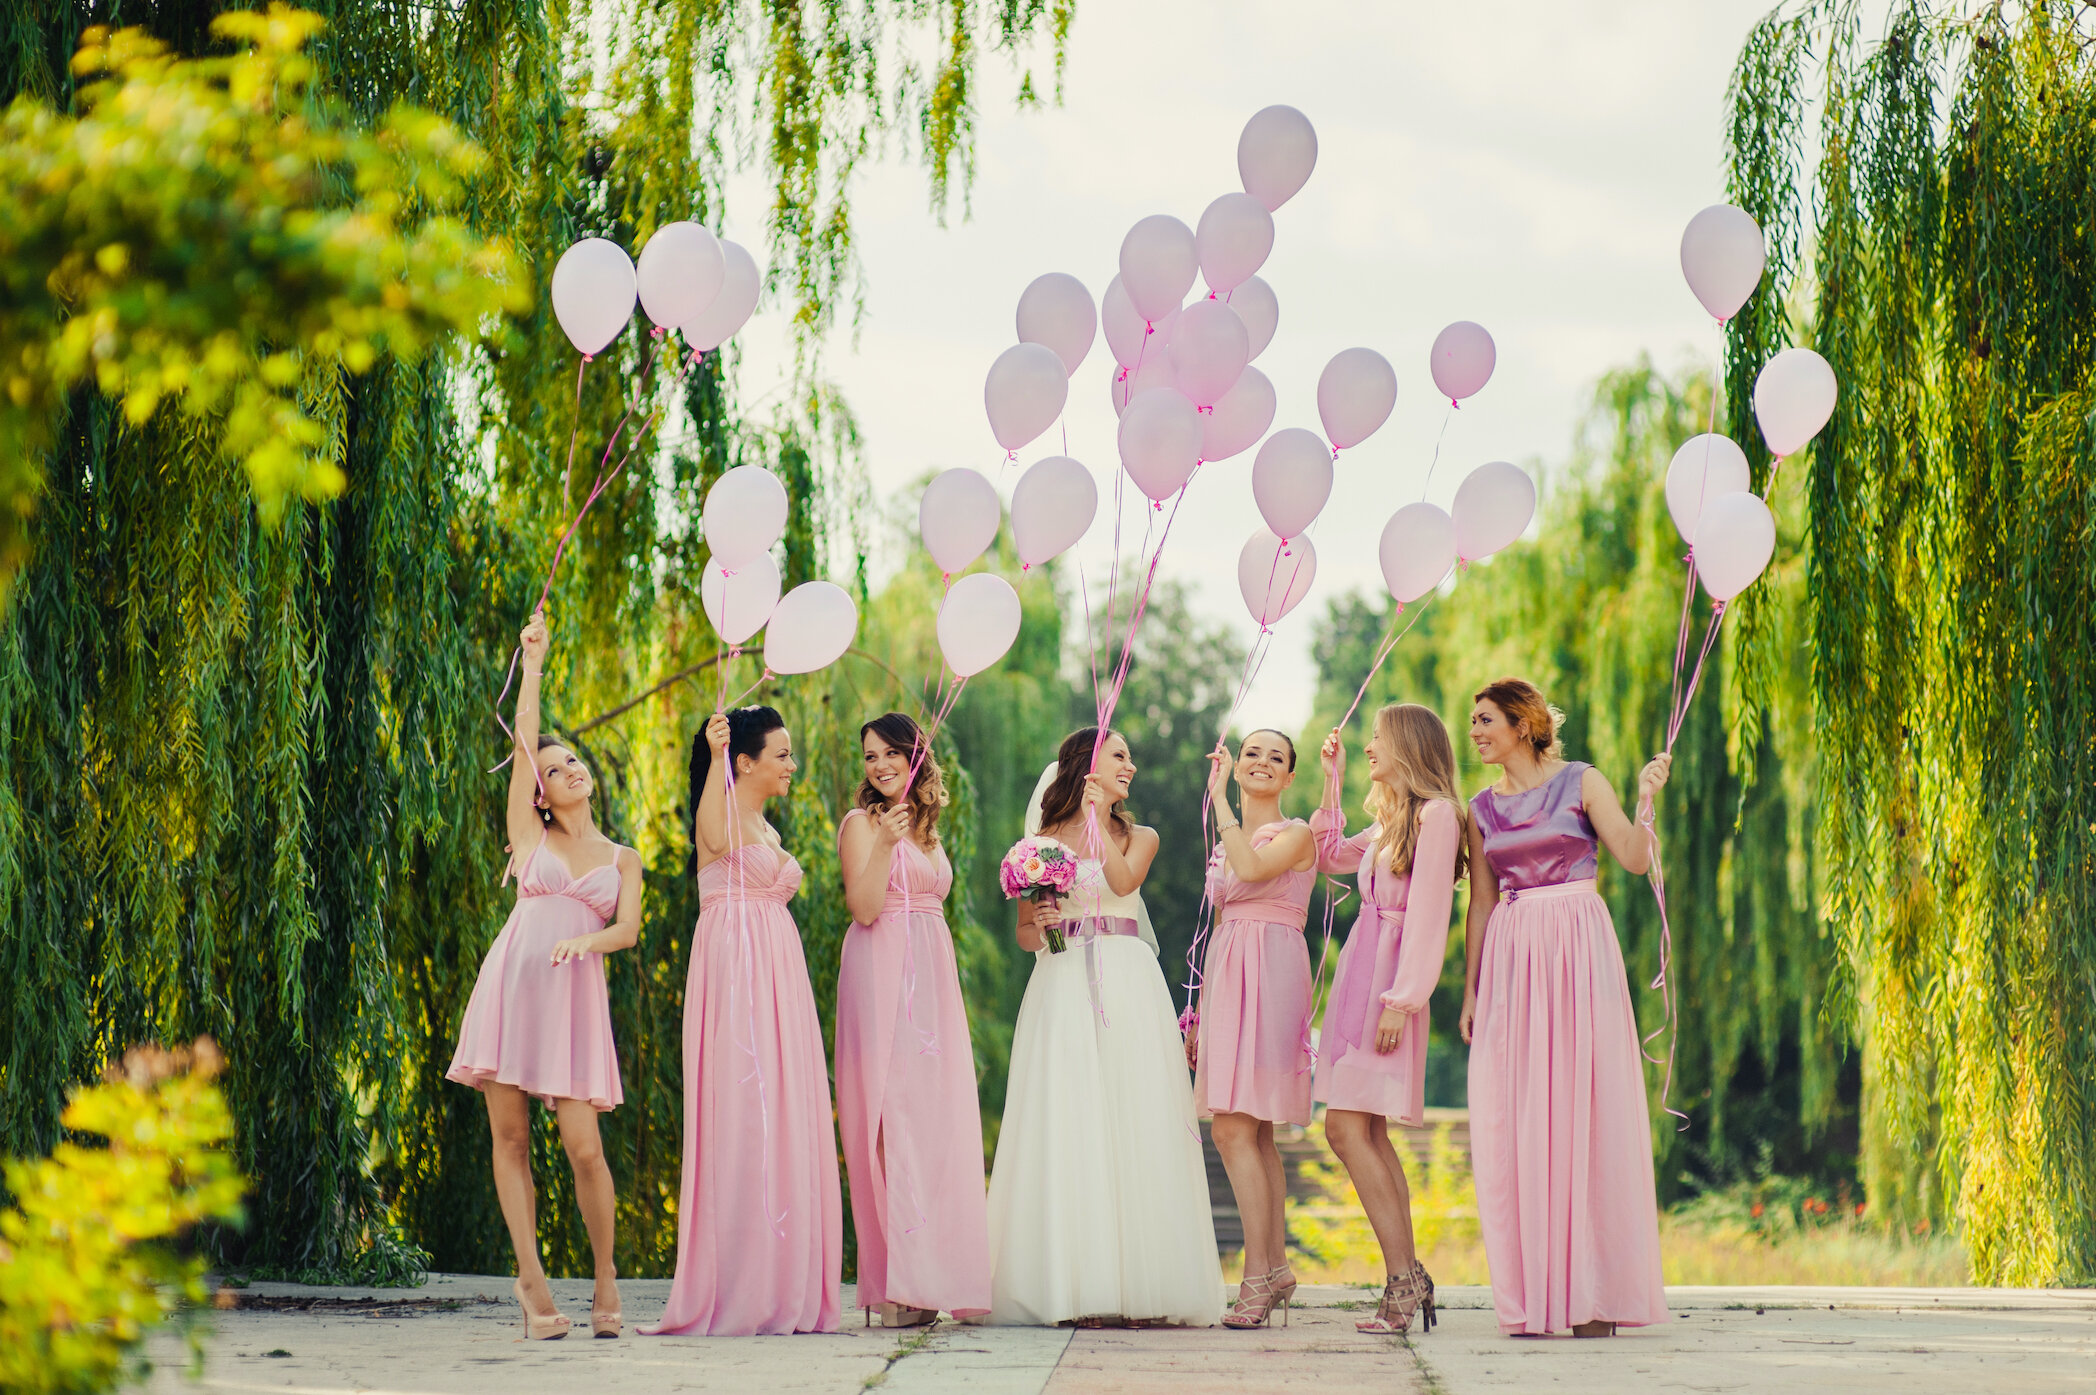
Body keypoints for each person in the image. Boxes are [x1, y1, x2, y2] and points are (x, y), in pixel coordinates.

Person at [986, 728, 1222, 1327]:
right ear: (1088, 765)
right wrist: (1040, 921)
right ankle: (1077, 1286)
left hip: (1127, 980)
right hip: (1062, 980)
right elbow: (1023, 936)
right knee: (1072, 1120)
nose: (1132, 766)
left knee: (1133, 1116)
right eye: (1120, 756)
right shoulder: (1036, 844)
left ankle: (1144, 1290)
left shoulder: (1140, 835)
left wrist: (1096, 818)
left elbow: (1121, 883)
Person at [1460, 677, 1672, 1338]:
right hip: (1514, 954)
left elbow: (1634, 860)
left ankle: (1594, 1292)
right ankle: (1538, 1291)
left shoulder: (1583, 780)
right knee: (1520, 1111)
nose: (1475, 731)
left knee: (1587, 1105)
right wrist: (1471, 989)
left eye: (1486, 718)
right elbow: (1482, 901)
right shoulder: (1479, 808)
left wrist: (1645, 799)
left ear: (1523, 723)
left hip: (1578, 941)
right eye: (1473, 721)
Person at [447, 609, 638, 1340]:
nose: (567, 769)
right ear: (539, 791)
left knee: (584, 1146)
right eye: (553, 769)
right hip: (514, 984)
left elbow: (625, 929)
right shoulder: (528, 836)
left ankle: (605, 1276)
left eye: (572, 762)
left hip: (574, 995)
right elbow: (522, 737)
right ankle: (530, 1284)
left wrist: (586, 947)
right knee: (512, 1138)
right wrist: (532, 664)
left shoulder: (623, 858)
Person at [642, 706, 841, 1337]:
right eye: (781, 754)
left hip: (778, 968)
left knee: (782, 1108)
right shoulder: (721, 816)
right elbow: (716, 836)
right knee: (744, 1103)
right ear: (745, 762)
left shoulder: (764, 823)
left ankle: (783, 1276)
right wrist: (714, 753)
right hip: (737, 966)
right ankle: (740, 1281)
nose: (792, 763)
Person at [1309, 703, 1465, 1336]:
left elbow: (1431, 915)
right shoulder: (1387, 826)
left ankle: (1403, 1279)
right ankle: (1408, 1279)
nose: (1369, 747)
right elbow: (1324, 857)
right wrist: (1330, 778)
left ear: (1408, 745)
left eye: (1377, 739)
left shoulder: (1437, 817)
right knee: (1364, 1132)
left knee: (1345, 1130)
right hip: (1360, 982)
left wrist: (1404, 1001)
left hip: (1391, 990)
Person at [834, 713, 991, 1327]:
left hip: (931, 973)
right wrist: (886, 844)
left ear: (913, 757)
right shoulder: (862, 825)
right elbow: (865, 906)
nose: (878, 766)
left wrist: (908, 838)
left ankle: (937, 1274)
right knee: (890, 1114)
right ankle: (898, 1284)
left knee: (933, 1119)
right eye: (869, 757)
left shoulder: (930, 827)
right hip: (882, 968)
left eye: (889, 754)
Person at [1186, 729, 1316, 1329]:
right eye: (1252, 753)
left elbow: (1251, 867)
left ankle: (1257, 1277)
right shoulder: (1227, 846)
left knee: (1235, 1130)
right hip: (1230, 971)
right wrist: (1202, 1011)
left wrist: (1217, 802)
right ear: (1236, 766)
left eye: (1276, 757)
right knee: (1252, 1132)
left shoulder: (1295, 834)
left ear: (1290, 776)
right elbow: (1218, 923)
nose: (1262, 762)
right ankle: (1276, 1268)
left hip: (1273, 971)